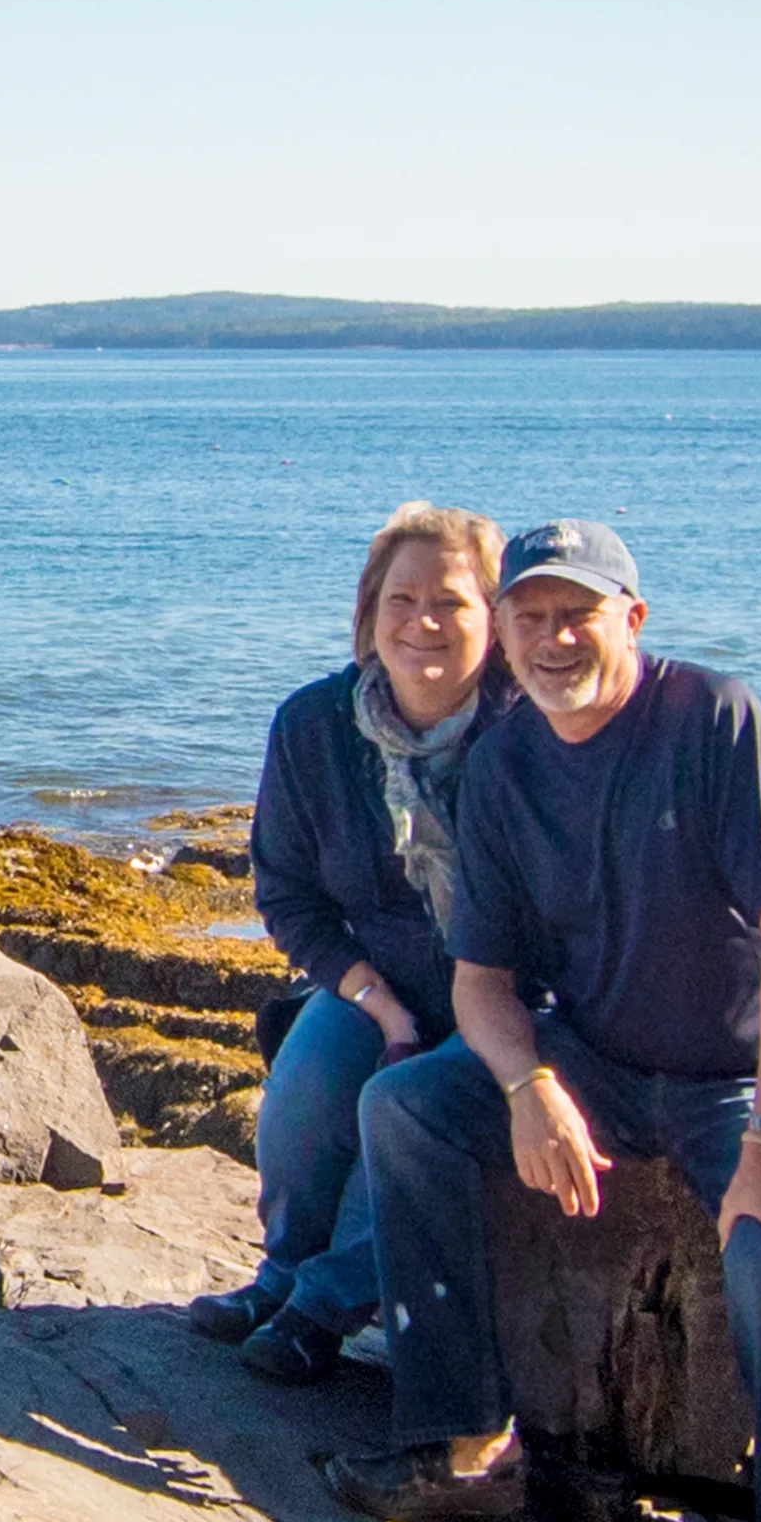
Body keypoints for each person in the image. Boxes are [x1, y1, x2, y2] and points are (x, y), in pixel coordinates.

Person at [325, 519, 761, 1522]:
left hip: (739, 1078)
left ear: (632, 619)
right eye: (528, 618)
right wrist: (532, 1088)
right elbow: (481, 982)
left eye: (575, 615)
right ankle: (465, 1439)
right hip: (601, 1061)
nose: (551, 639)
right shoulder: (510, 761)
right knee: (405, 1109)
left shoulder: (713, 720)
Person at [195, 503, 519, 1384]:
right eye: (400, 599)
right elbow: (289, 895)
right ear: (368, 615)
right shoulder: (314, 728)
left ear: (494, 618)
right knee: (306, 1086)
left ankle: (324, 1310)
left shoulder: (529, 736)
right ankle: (281, 1277)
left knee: (409, 1115)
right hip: (381, 982)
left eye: (451, 603)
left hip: (512, 1004)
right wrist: (375, 1001)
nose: (423, 624)